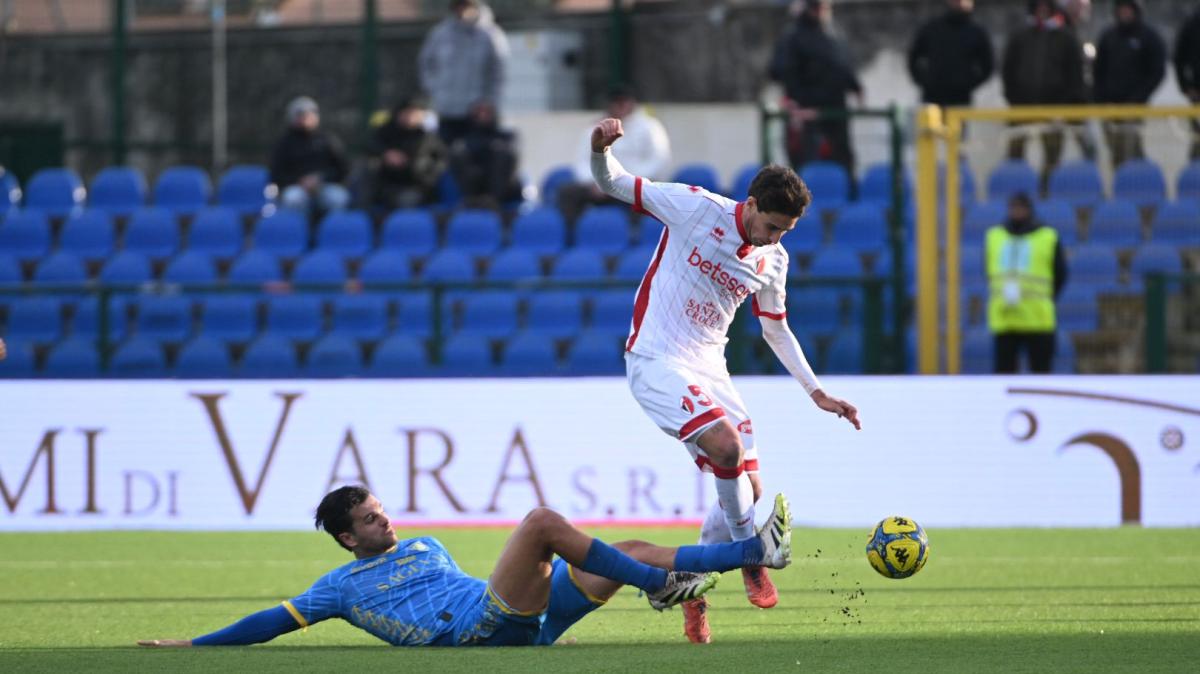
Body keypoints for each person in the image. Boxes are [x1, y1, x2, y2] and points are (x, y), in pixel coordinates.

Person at [589, 117, 860, 644]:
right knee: (728, 450)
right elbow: (614, 183)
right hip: (656, 357)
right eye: (772, 225)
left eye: (785, 232)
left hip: (711, 368)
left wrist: (816, 391)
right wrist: (598, 151)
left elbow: (776, 329)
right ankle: (751, 554)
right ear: (752, 204)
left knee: (746, 486)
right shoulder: (696, 207)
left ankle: (691, 585)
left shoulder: (772, 260)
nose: (775, 238)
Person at [137, 485, 793, 648]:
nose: (385, 522)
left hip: (514, 616)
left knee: (635, 547)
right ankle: (662, 588)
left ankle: (751, 553)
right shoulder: (338, 588)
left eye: (381, 510)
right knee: (540, 523)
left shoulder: (424, 545)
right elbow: (272, 622)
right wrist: (194, 643)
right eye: (369, 520)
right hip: (483, 631)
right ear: (345, 539)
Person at [768, 0, 863, 176]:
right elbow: (784, 71)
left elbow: (842, 66)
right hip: (807, 114)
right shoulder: (794, 36)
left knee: (841, 162)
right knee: (807, 165)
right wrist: (798, 104)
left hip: (835, 111)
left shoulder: (833, 33)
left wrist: (855, 87)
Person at [1002, 0, 1088, 187]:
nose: (1042, 11)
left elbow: (1075, 74)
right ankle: (1016, 194)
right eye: (1039, 7)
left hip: (1054, 107)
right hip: (1022, 107)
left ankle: (1046, 191)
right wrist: (1014, 99)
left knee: (1052, 155)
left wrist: (1065, 104)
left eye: (1046, 7)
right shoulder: (1020, 36)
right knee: (1015, 152)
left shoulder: (1066, 37)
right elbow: (1008, 70)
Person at [559, 86, 672, 223]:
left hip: (635, 186)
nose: (621, 106)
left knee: (642, 198)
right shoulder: (596, 128)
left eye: (624, 101)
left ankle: (635, 238)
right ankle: (571, 238)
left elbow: (658, 160)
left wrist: (628, 182)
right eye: (616, 102)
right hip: (601, 187)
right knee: (568, 193)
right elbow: (582, 162)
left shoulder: (650, 127)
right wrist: (596, 182)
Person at [985, 192, 1068, 374]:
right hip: (1005, 318)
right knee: (1004, 375)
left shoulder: (1047, 236)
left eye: (1020, 208)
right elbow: (990, 272)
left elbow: (1060, 274)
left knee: (1041, 373)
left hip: (1037, 318)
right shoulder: (995, 236)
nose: (1017, 212)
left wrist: (1046, 297)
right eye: (1013, 208)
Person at [419, 0, 508, 147]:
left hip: (477, 112)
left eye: (466, 6)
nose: (462, 11)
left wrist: (489, 102)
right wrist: (435, 90)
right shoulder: (440, 34)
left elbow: (498, 74)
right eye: (459, 7)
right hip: (446, 109)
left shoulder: (490, 35)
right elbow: (426, 64)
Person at [1093, 0, 1166, 167]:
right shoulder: (1108, 36)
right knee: (1115, 149)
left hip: (1134, 106)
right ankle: (1120, 185)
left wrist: (1138, 98)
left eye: (1128, 9)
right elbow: (1098, 71)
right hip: (1109, 106)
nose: (1125, 13)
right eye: (1121, 9)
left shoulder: (1148, 37)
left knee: (1131, 148)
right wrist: (1101, 100)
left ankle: (1135, 185)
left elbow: (1157, 72)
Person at [269, 96, 350, 215]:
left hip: (324, 186)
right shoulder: (284, 143)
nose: (305, 118)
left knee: (338, 198)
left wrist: (321, 179)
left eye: (309, 114)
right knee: (293, 198)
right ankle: (298, 232)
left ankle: (329, 232)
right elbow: (277, 174)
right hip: (296, 187)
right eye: (300, 115)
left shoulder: (328, 140)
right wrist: (300, 181)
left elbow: (342, 169)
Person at [907, 0, 994, 108]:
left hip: (960, 99)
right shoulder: (932, 29)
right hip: (932, 98)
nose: (961, 3)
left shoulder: (976, 32)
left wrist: (968, 84)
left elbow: (988, 66)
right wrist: (925, 82)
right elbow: (913, 57)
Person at [368, 96, 448, 210]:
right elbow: (370, 147)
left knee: (405, 201)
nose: (410, 117)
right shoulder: (386, 133)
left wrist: (414, 164)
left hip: (417, 186)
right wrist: (386, 154)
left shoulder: (429, 138)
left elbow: (439, 163)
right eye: (406, 112)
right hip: (386, 183)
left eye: (414, 113)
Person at [448, 100, 522, 209]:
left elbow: (511, 162)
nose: (482, 116)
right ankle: (472, 199)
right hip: (473, 182)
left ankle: (493, 200)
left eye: (486, 113)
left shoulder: (505, 137)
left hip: (500, 187)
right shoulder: (464, 138)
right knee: (459, 156)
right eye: (479, 113)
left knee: (501, 156)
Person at [1174, 5, 1200, 159]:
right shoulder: (1192, 24)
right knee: (1197, 139)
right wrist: (1185, 87)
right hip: (1197, 92)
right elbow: (1179, 59)